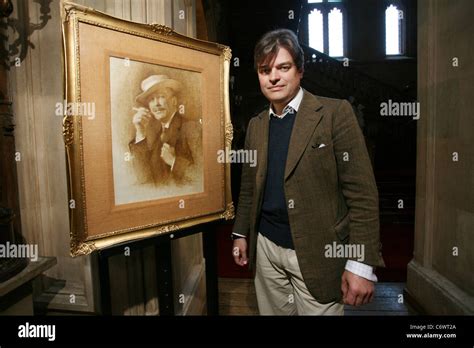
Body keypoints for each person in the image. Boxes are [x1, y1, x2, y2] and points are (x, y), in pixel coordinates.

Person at [231, 29, 385, 315]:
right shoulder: (256, 124)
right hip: (266, 249)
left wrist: (361, 264)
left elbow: (362, 195)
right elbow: (249, 188)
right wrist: (241, 233)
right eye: (265, 70)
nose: (273, 76)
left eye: (283, 67)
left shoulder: (335, 114)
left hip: (319, 251)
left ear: (300, 70)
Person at [129, 75, 201, 186]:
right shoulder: (157, 135)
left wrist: (174, 162)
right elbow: (143, 178)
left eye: (161, 96)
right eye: (151, 99)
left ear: (174, 101)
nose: (156, 104)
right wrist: (140, 131)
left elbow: (204, 175)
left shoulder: (191, 128)